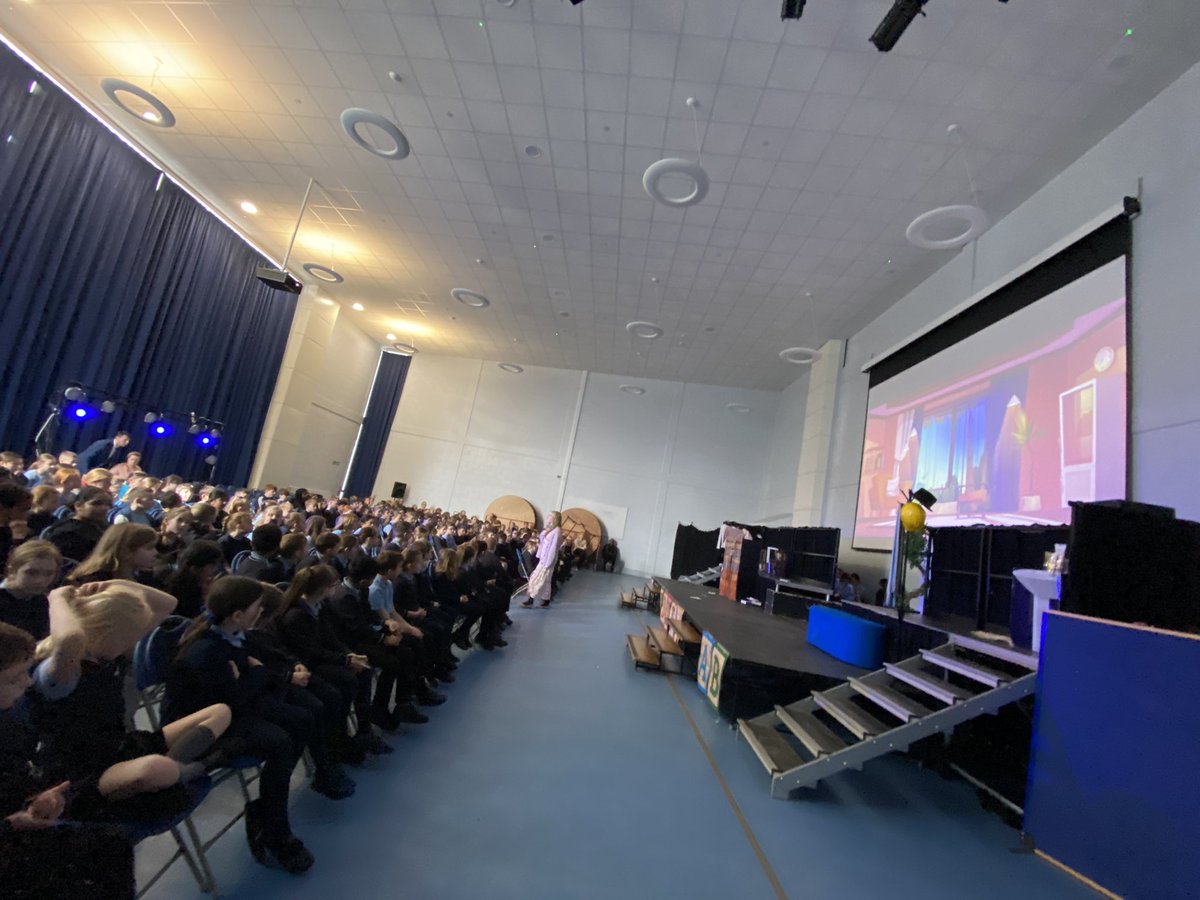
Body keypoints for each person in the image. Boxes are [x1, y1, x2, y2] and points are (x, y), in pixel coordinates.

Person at [163, 577, 316, 874]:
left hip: (233, 707)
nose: (261, 613)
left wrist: (255, 675)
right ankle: (275, 831)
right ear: (237, 615)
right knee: (280, 741)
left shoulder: (233, 637)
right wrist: (255, 676)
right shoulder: (207, 652)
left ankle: (267, 804)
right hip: (201, 729)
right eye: (257, 608)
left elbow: (249, 679)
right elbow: (231, 702)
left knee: (303, 719)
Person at [0, 621, 138, 899]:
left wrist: (37, 798)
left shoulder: (8, 721)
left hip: (17, 824)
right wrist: (12, 824)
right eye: (15, 678)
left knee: (112, 843)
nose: (27, 683)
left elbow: (16, 778)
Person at [0, 540, 62, 639]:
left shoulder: (43, 602)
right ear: (13, 569)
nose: (40, 580)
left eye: (49, 573)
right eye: (31, 572)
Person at [41, 486, 111, 563]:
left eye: (108, 504)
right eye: (96, 504)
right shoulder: (65, 533)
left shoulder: (105, 527)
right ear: (78, 505)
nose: (104, 508)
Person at [521, 511, 561, 609]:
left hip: (548, 560)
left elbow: (553, 548)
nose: (548, 518)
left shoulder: (557, 531)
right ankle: (546, 600)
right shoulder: (551, 529)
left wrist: (548, 562)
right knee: (543, 580)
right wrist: (544, 533)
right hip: (543, 559)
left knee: (540, 579)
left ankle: (531, 600)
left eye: (550, 516)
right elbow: (543, 542)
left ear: (555, 518)